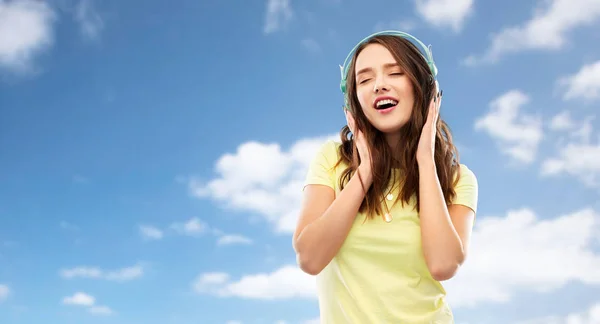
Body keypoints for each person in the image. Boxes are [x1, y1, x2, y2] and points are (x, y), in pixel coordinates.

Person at [292, 30, 479, 323]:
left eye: (395, 73)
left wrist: (425, 161)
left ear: (425, 90)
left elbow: (443, 265)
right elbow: (310, 258)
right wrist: (365, 173)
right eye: (364, 80)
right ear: (354, 100)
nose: (379, 85)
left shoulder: (458, 179)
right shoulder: (331, 160)